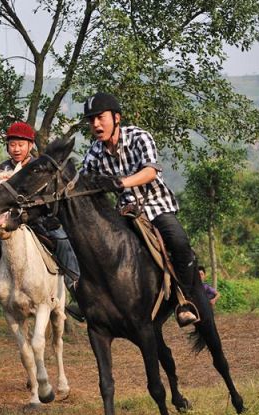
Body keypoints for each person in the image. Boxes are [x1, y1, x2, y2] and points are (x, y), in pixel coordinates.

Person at [81, 92, 203, 326]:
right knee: (92, 248)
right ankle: (94, 301)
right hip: (122, 214)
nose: (95, 124)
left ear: (117, 118)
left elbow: (151, 171)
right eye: (91, 120)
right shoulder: (94, 152)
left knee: (178, 241)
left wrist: (120, 182)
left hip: (155, 207)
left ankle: (185, 301)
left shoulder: (139, 137)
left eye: (100, 117)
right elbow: (84, 181)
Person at [0, 122, 81, 315]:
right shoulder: (2, 168)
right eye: (12, 144)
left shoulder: (38, 165)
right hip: (10, 224)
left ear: (30, 145)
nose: (16, 149)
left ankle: (75, 289)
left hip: (36, 219)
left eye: (20, 144)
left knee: (62, 240)